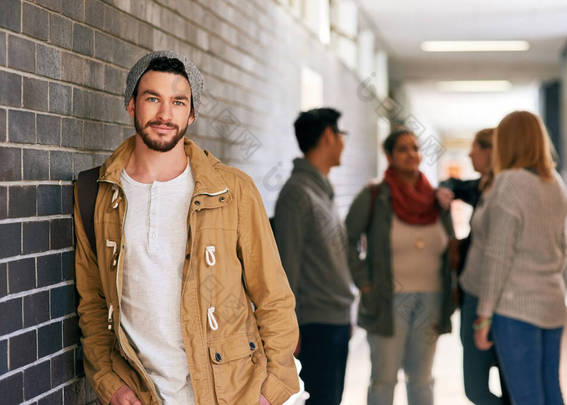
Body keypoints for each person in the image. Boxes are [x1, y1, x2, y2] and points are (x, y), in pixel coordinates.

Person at [74, 50, 299, 405]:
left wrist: (271, 390)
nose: (165, 114)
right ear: (131, 104)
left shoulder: (233, 190)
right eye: (153, 99)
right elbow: (93, 302)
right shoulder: (97, 193)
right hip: (142, 394)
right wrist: (107, 381)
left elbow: (273, 295)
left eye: (178, 102)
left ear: (192, 113)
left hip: (232, 393)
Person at [345, 128, 455, 405]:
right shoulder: (374, 196)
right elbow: (347, 239)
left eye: (415, 148)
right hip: (387, 299)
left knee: (422, 378)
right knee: (384, 378)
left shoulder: (436, 199)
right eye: (403, 149)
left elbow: (450, 246)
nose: (411, 155)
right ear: (390, 156)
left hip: (431, 298)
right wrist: (364, 282)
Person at [472, 111, 567, 405]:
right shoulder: (554, 185)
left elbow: (498, 256)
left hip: (516, 309)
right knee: (551, 391)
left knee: (526, 397)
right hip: (552, 302)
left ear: (507, 143)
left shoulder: (509, 183)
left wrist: (483, 315)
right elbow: (564, 249)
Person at [273, 108, 355, 405]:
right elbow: (286, 266)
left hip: (334, 320)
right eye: (341, 135)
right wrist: (288, 328)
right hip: (312, 326)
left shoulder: (321, 190)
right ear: (329, 136)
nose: (344, 143)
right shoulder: (297, 193)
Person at [437, 129, 511, 405]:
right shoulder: (481, 187)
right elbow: (455, 183)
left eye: (475, 149)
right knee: (475, 388)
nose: (469, 154)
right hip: (472, 296)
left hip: (503, 301)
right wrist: (445, 187)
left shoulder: (508, 190)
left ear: (491, 151)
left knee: (511, 385)